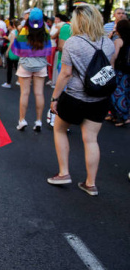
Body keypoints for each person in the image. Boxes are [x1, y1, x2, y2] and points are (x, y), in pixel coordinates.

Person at [47, 4, 115, 196]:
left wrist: (55, 98)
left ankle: (64, 173)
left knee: (59, 129)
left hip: (75, 97)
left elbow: (66, 74)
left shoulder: (72, 42)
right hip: (100, 98)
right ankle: (91, 184)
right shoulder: (108, 42)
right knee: (91, 139)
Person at [11, 8, 51, 132]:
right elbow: (48, 49)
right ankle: (38, 121)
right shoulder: (46, 31)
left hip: (25, 65)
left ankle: (22, 120)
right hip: (41, 65)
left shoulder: (24, 30)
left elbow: (16, 48)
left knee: (24, 93)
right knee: (39, 93)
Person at [110, 20, 130, 126]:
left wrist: (111, 68)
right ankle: (119, 115)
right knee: (126, 92)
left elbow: (114, 56)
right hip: (128, 70)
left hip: (119, 70)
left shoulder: (118, 41)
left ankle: (123, 117)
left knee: (116, 93)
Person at [2, 19, 19, 88]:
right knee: (17, 66)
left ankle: (8, 83)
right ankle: (19, 80)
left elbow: (11, 43)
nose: (7, 26)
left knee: (9, 68)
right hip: (17, 50)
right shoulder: (18, 32)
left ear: (12, 26)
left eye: (9, 25)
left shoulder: (12, 32)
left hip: (12, 51)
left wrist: (7, 51)